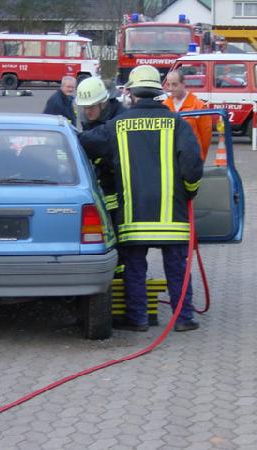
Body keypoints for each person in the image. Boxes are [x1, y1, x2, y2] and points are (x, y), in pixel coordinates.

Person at [79, 65, 204, 332]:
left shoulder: (116, 125)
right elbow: (193, 165)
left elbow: (86, 143)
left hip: (133, 216)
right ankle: (183, 319)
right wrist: (190, 190)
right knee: (177, 268)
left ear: (132, 93)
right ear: (159, 91)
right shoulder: (178, 124)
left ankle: (138, 319)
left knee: (135, 268)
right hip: (173, 216)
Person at [76, 77, 127, 276]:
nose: (87, 112)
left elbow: (102, 142)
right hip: (105, 187)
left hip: (121, 189)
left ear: (103, 103)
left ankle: (122, 274)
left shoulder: (119, 118)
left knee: (120, 234)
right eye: (84, 108)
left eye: (91, 107)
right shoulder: (93, 120)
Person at [163, 70, 212, 161]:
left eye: (174, 84)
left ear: (183, 84)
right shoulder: (165, 106)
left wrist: (200, 159)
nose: (171, 88)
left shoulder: (198, 106)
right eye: (168, 85)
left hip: (191, 158)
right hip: (170, 158)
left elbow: (205, 138)